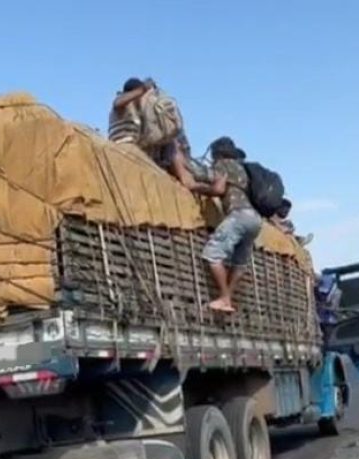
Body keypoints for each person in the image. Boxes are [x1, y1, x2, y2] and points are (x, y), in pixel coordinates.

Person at [193, 137, 262, 312]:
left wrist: (196, 187)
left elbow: (218, 189)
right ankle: (227, 299)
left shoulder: (222, 164)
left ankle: (224, 297)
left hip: (238, 215)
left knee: (212, 254)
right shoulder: (242, 170)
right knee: (239, 263)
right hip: (255, 219)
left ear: (218, 153)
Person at [109, 78, 195, 189]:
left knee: (169, 141)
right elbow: (117, 103)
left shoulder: (138, 112)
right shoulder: (123, 105)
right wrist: (144, 88)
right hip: (125, 147)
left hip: (135, 148)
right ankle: (185, 178)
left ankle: (185, 175)